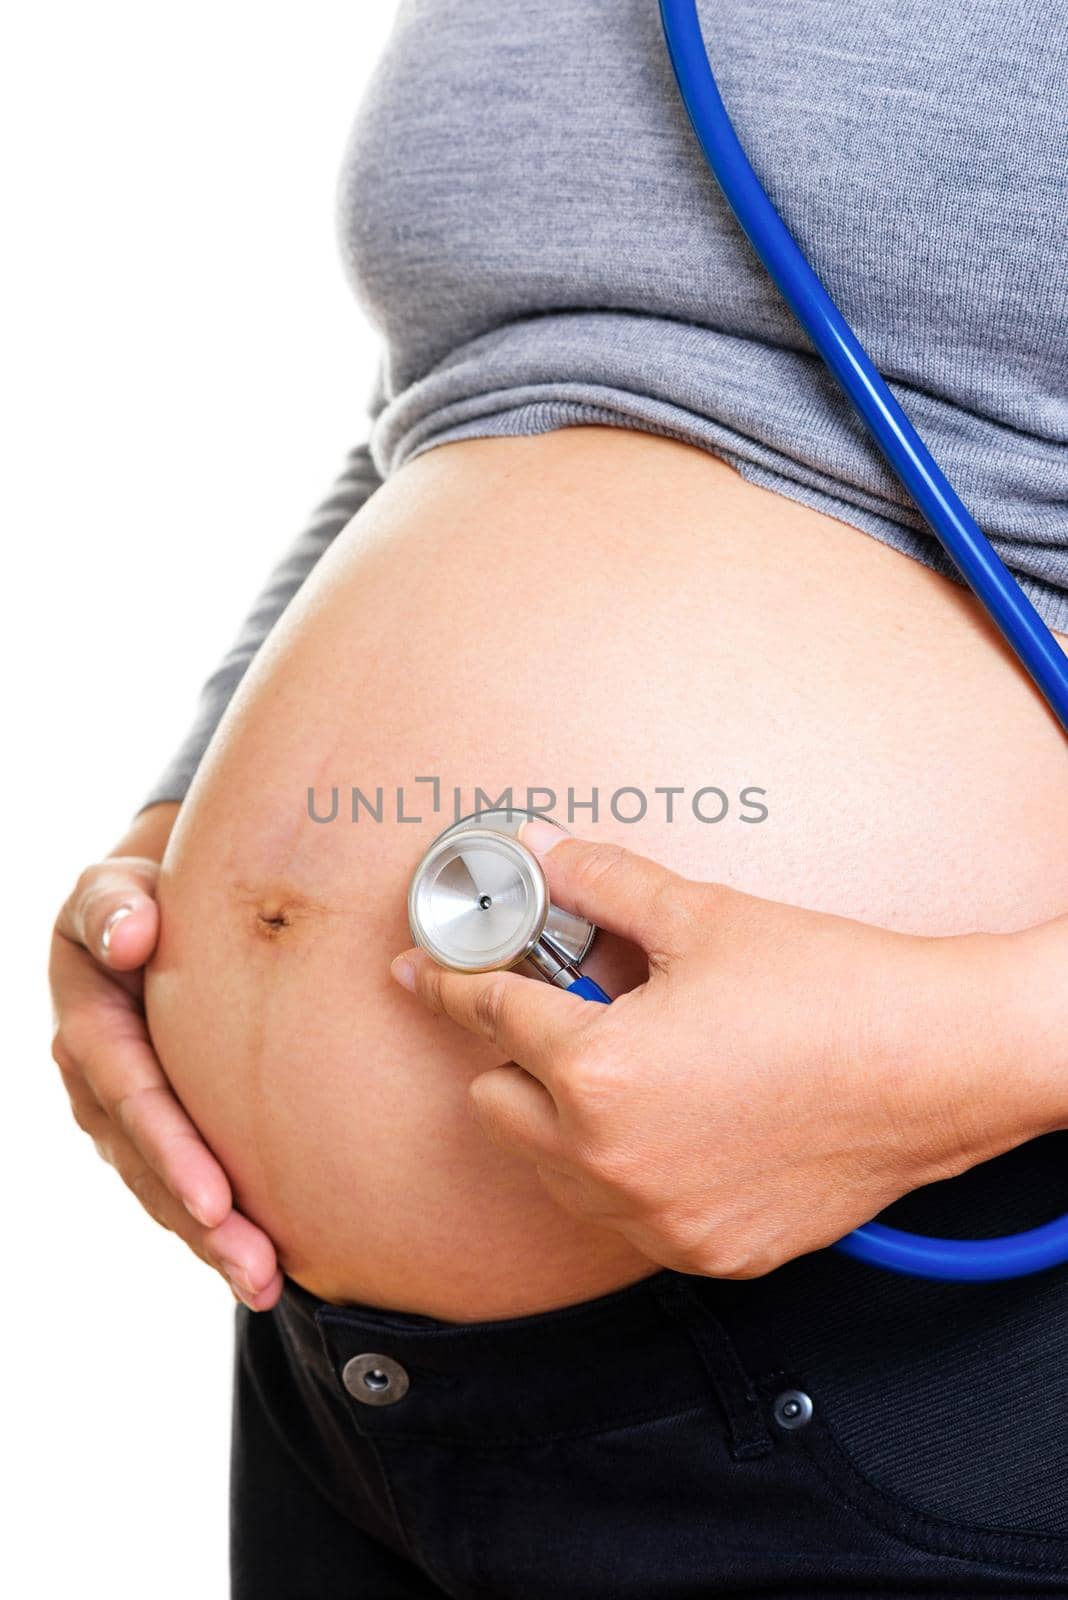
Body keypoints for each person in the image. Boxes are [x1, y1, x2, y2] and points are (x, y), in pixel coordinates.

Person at [49, 2, 1068, 1594]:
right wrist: (180, 841)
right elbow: (477, 390)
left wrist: (989, 1040)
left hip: (909, 1322)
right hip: (344, 1382)